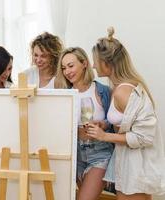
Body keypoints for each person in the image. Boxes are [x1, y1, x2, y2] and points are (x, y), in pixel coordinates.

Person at [87, 27, 165, 199]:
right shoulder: (119, 88)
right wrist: (106, 124)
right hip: (128, 165)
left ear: (108, 63)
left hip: (136, 168)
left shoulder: (125, 91)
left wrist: (104, 136)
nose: (93, 65)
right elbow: (126, 122)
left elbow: (145, 136)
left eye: (95, 61)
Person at [54, 47, 114, 200]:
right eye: (64, 68)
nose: (67, 71)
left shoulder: (103, 91)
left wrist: (103, 124)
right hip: (75, 153)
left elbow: (114, 122)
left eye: (71, 65)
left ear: (84, 63)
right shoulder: (64, 95)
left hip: (99, 152)